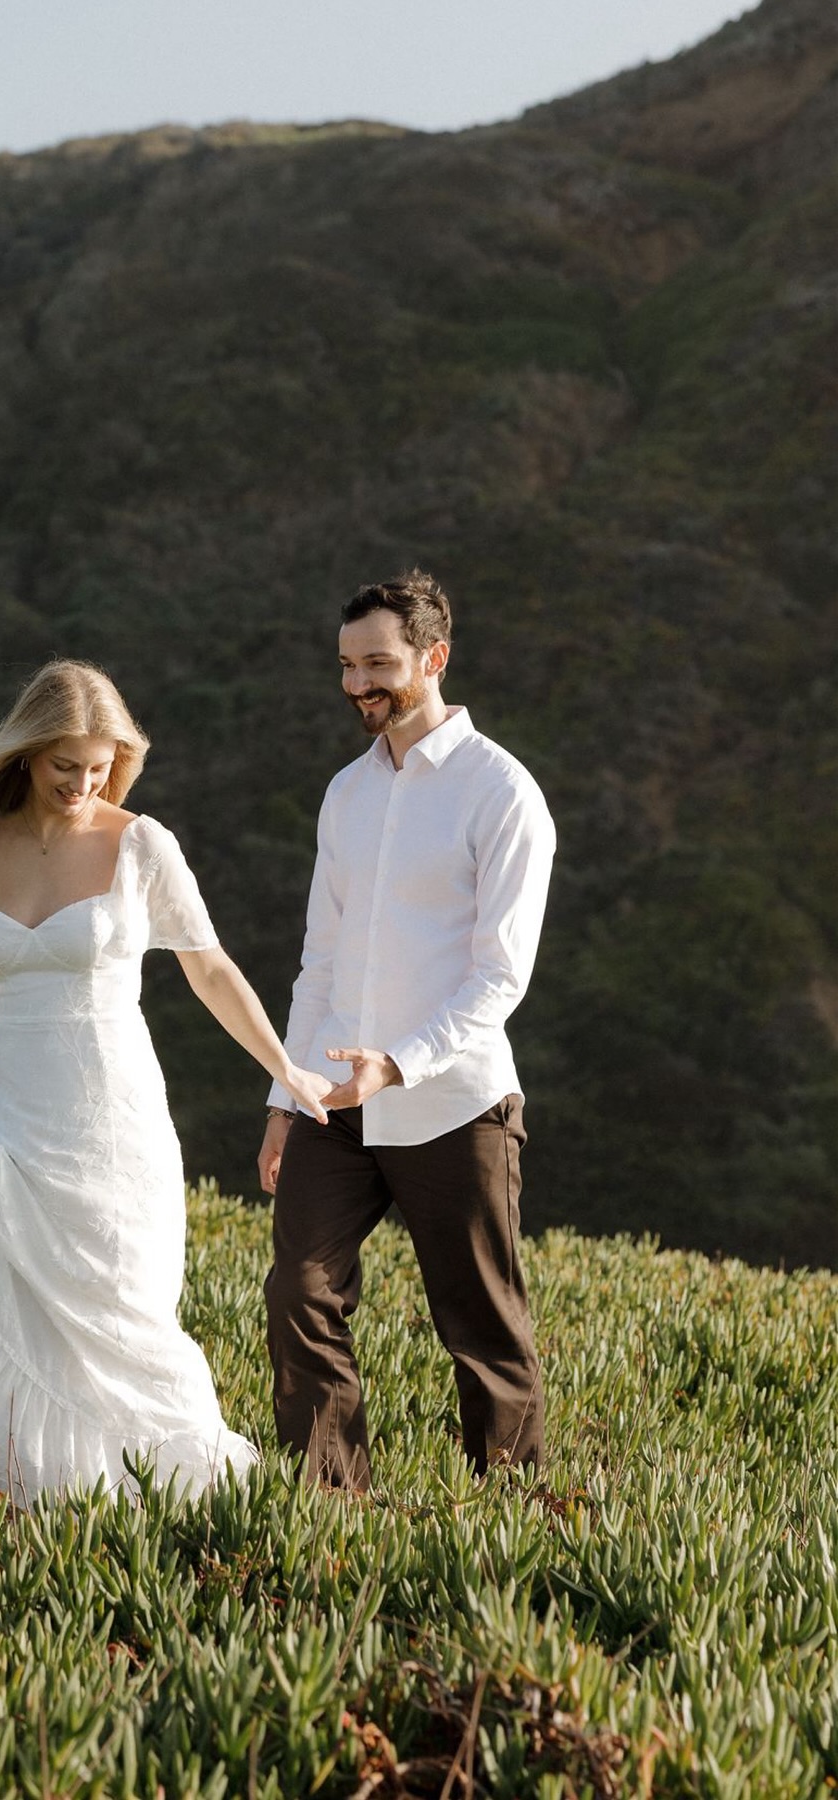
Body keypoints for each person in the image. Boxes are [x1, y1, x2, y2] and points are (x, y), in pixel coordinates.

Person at [0, 659, 333, 1504]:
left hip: (114, 1115)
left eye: (99, 768)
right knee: (27, 1307)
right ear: (27, 754)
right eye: (66, 767)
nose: (83, 784)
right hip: (13, 1115)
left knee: (122, 1300)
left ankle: (175, 1488)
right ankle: (42, 1492)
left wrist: (283, 1066)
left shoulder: (142, 844)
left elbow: (211, 970)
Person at [261, 571, 556, 1490]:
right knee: (298, 1293)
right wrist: (284, 1093)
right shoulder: (345, 794)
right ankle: (334, 1508)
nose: (358, 685)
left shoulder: (503, 792)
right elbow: (321, 961)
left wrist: (399, 1064)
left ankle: (508, 1520)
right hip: (333, 1101)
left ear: (434, 657)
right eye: (347, 666)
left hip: (453, 1102)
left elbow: (500, 975)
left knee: (480, 1326)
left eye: (378, 664)